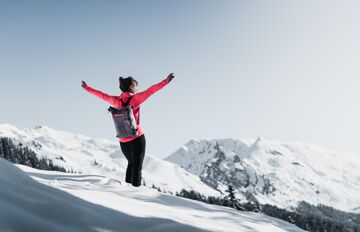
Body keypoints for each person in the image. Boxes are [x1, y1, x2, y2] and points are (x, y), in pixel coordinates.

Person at [81, 73, 175, 187]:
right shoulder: (135, 99)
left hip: (123, 140)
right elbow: (151, 90)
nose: (136, 88)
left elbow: (101, 95)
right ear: (131, 86)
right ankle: (136, 193)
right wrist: (166, 81)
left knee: (131, 164)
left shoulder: (115, 101)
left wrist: (86, 88)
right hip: (137, 138)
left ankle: (126, 191)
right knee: (137, 166)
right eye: (135, 86)